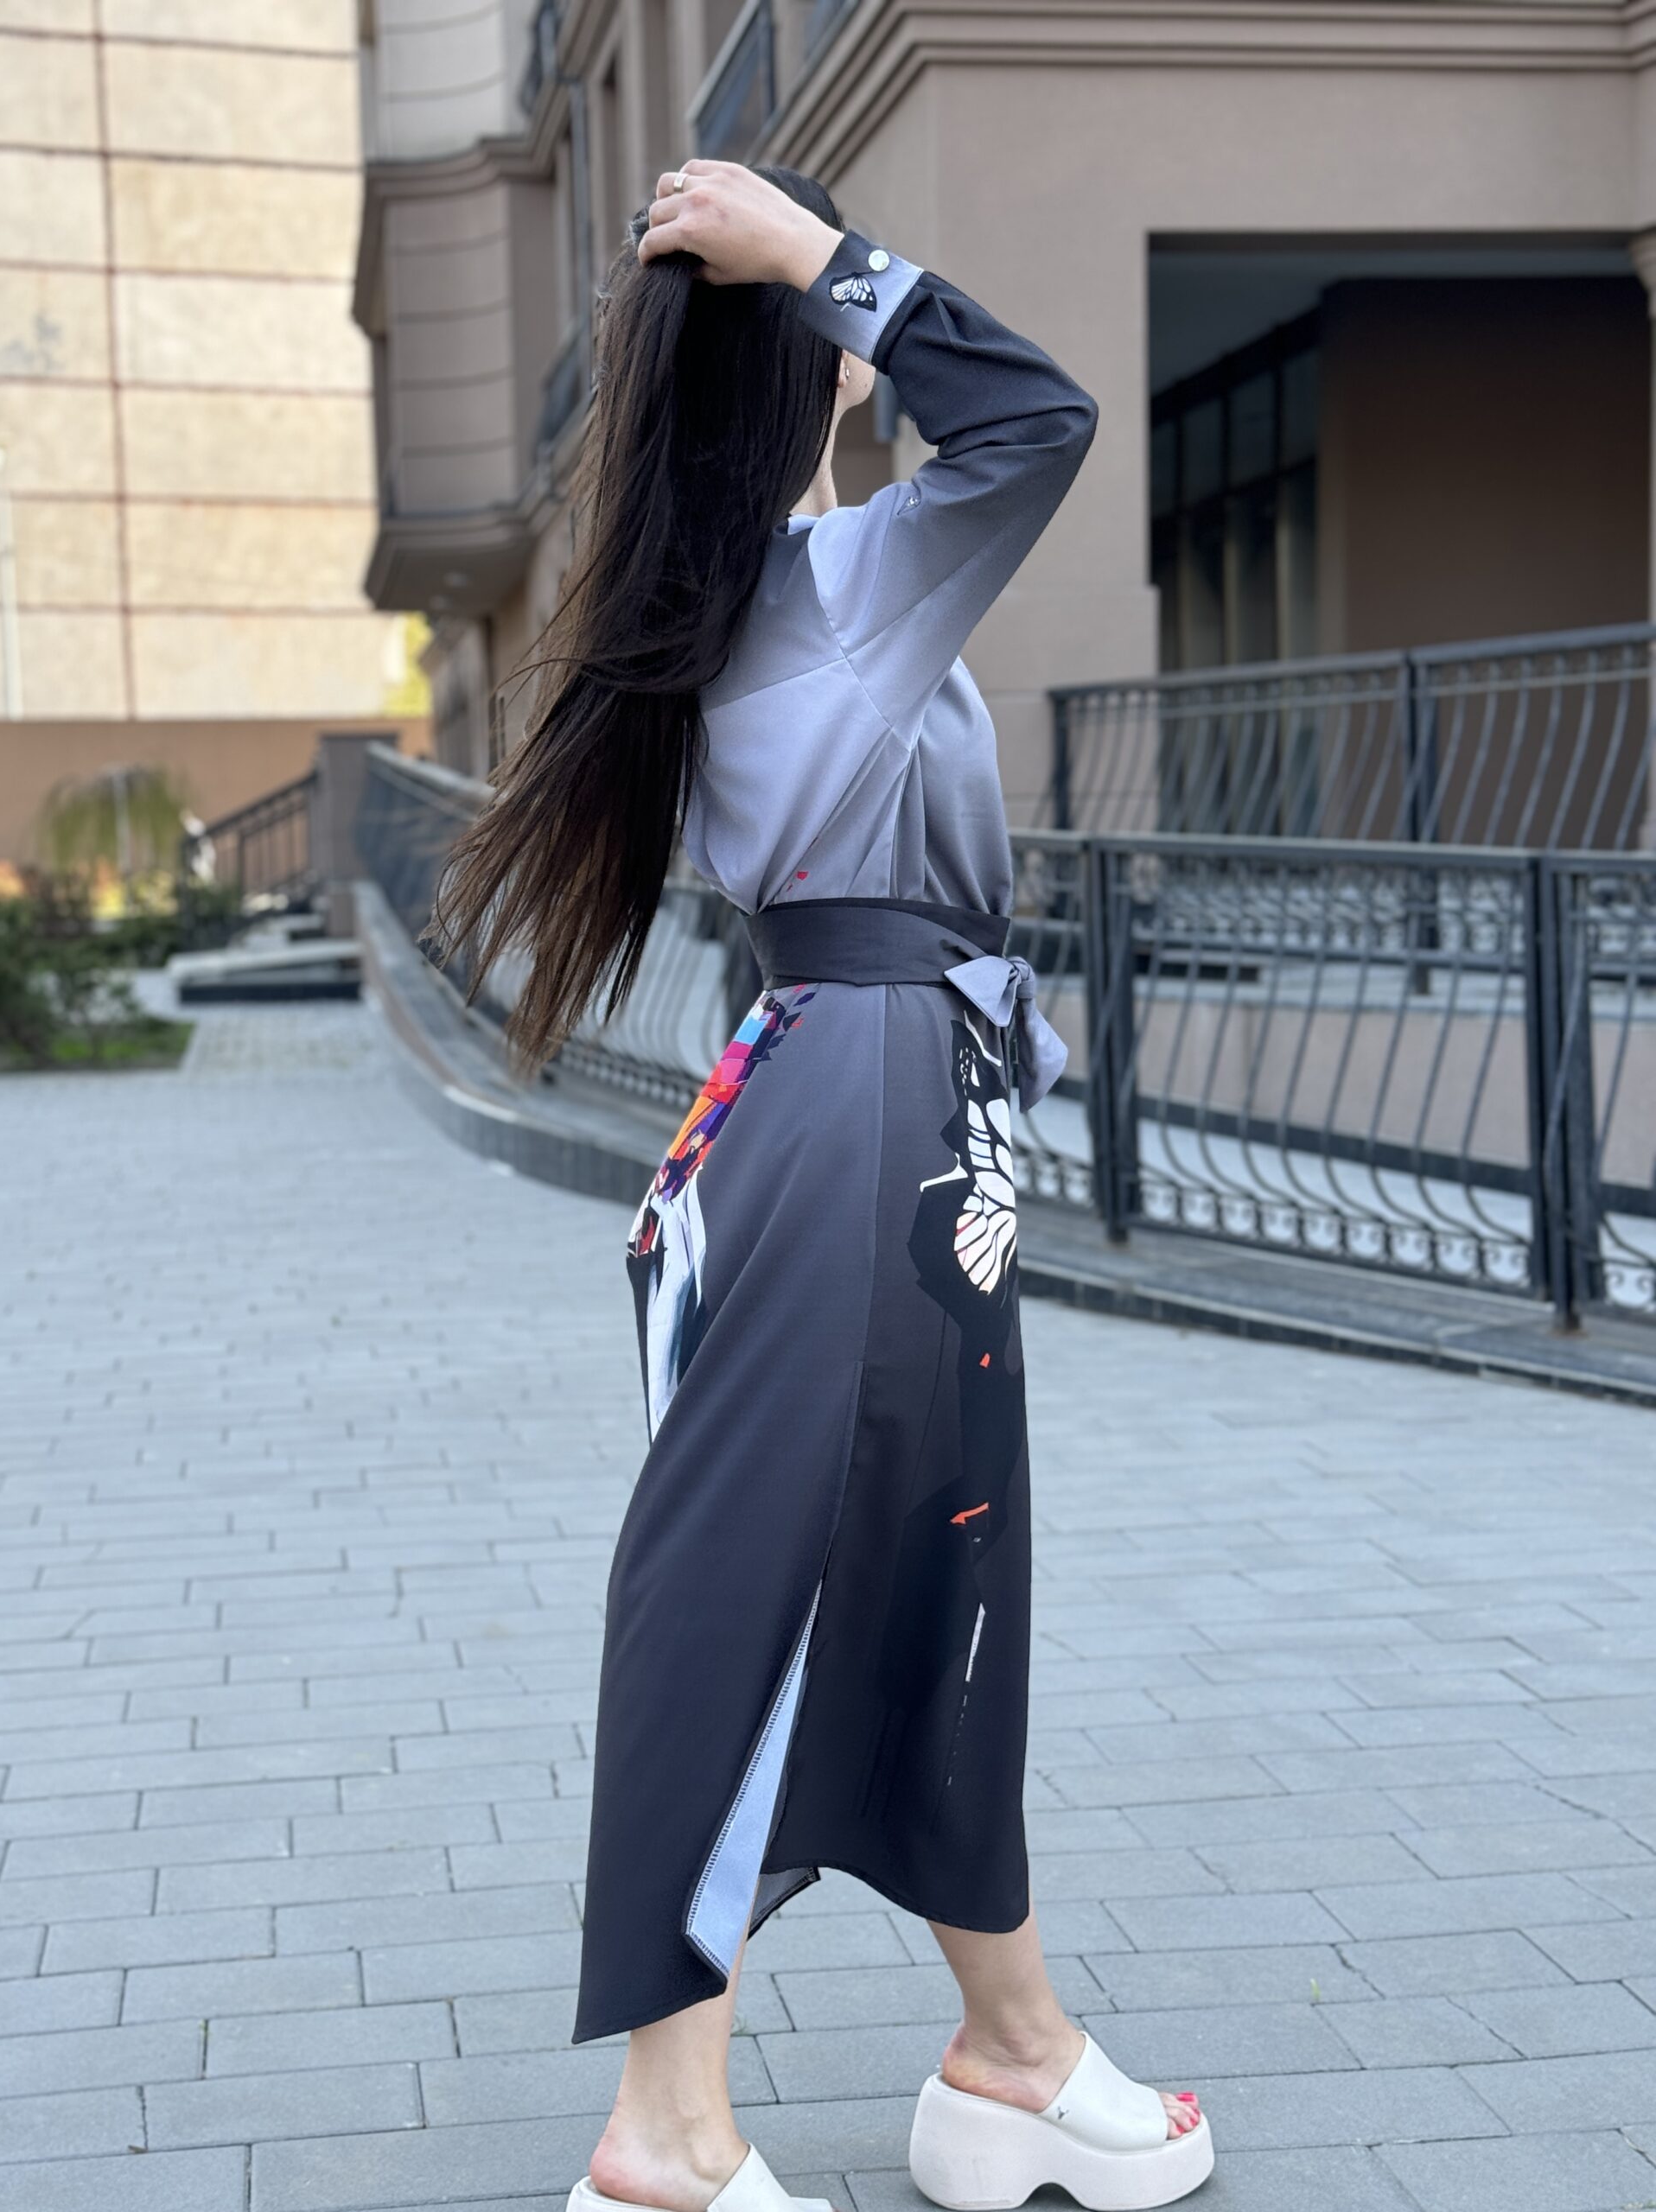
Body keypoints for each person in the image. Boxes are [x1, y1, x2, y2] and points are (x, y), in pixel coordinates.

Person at [430, 159, 1213, 2212]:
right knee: (758, 1569)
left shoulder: (718, 595)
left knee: (938, 1559)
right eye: (828, 312)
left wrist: (799, 279)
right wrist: (826, 259)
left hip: (864, 1092)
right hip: (871, 1098)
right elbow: (1042, 417)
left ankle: (1010, 2047)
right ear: (822, 363)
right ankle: (668, 2131)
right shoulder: (841, 579)